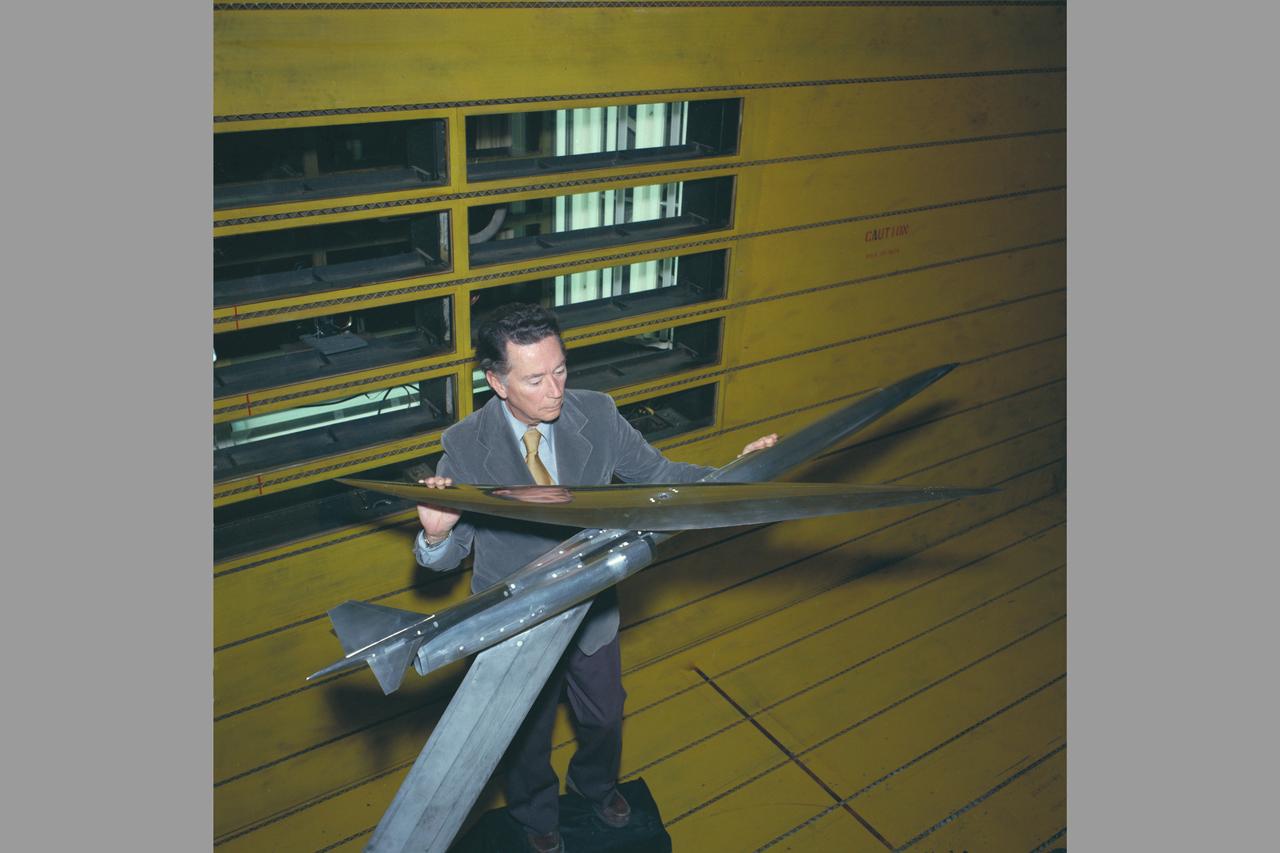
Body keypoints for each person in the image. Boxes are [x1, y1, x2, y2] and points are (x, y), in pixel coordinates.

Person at [413, 303, 776, 853]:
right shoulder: (464, 445)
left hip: (591, 608)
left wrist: (736, 479)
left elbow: (661, 478)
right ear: (497, 382)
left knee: (605, 716)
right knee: (526, 738)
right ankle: (537, 816)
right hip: (517, 622)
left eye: (560, 369)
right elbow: (442, 562)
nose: (555, 389)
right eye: (534, 379)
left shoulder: (598, 414)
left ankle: (594, 785)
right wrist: (437, 537)